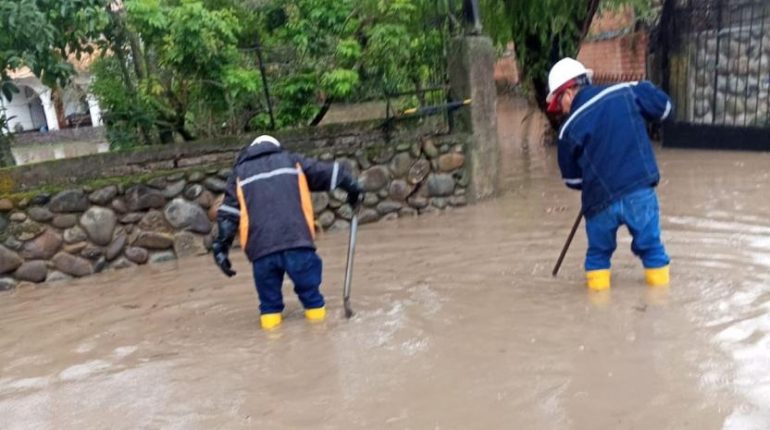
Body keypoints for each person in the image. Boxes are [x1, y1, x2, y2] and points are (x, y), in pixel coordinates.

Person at [211, 135, 363, 330]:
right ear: (276, 147)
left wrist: (220, 248)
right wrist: (354, 190)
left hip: (261, 251)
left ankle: (272, 343)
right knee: (312, 297)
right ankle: (321, 338)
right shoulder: (293, 161)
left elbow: (228, 215)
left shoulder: (239, 173)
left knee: (269, 305)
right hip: (297, 243)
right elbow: (333, 173)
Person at [547, 58, 672, 291]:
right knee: (652, 249)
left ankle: (598, 308)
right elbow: (664, 107)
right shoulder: (624, 92)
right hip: (639, 193)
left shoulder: (567, 130)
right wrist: (640, 87)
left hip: (598, 203)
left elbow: (572, 180)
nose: (561, 111)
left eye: (558, 104)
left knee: (597, 255)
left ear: (567, 93)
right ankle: (659, 304)